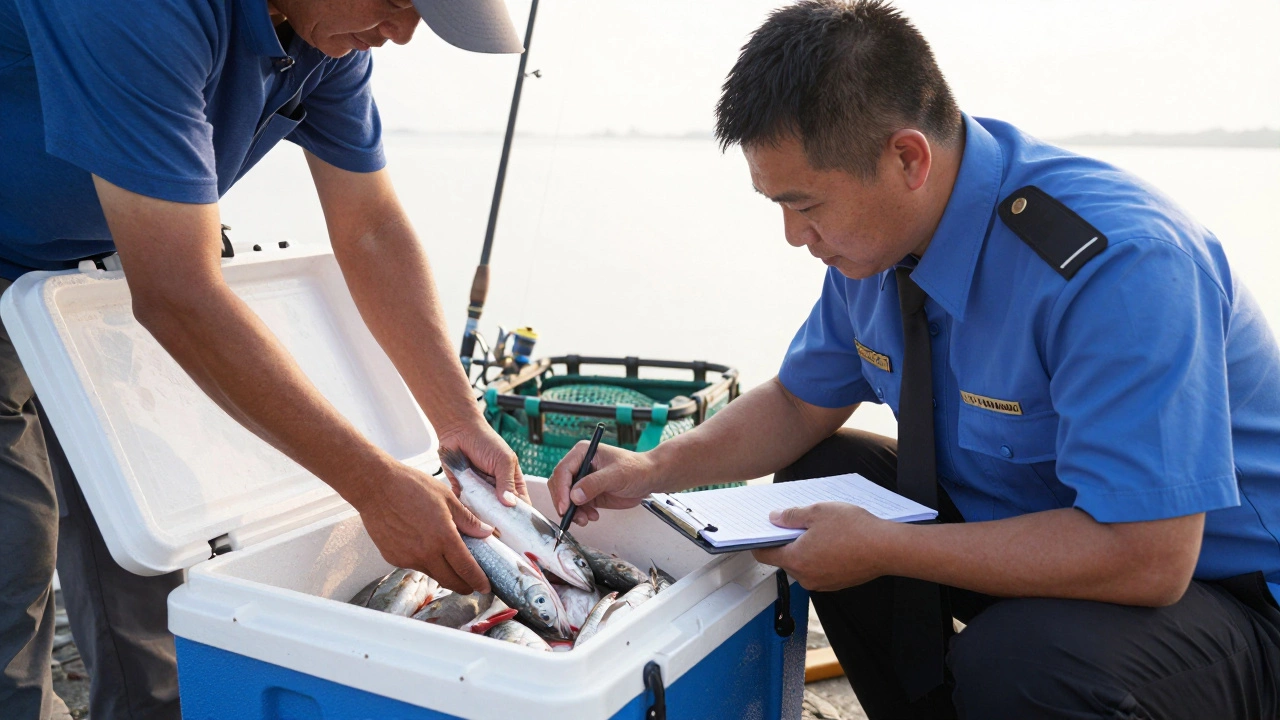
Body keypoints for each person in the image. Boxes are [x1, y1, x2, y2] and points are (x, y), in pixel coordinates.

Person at [548, 1, 1280, 718]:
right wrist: (653, 468)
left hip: (1223, 601)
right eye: (776, 206)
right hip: (1037, 537)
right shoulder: (872, 245)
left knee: (1020, 662)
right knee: (811, 482)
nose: (793, 236)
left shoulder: (1115, 267)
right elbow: (802, 403)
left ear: (907, 157)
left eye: (806, 206)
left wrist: (889, 549)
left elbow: (1147, 557)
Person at [0, 1, 528, 718]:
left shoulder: (328, 38)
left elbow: (369, 227)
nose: (404, 31)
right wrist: (373, 486)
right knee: (13, 561)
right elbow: (179, 293)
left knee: (159, 544)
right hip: (89, 268)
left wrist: (459, 421)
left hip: (101, 279)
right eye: (401, 1)